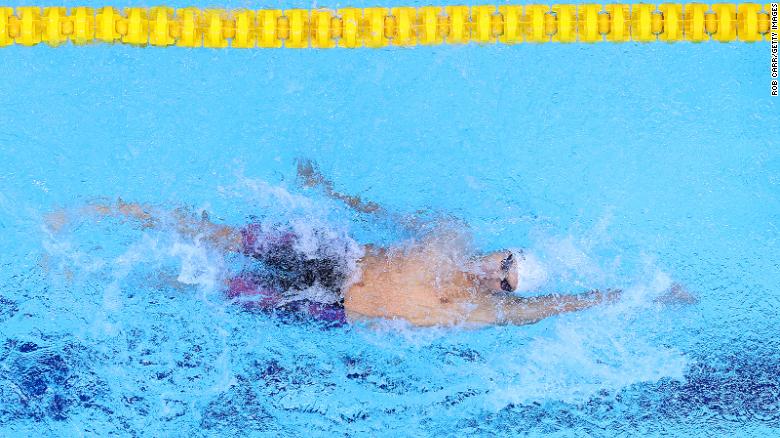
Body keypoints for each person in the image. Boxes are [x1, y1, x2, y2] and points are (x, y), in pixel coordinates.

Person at [45, 160, 695, 328]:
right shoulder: (450, 235)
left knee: (208, 284)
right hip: (337, 256)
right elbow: (384, 218)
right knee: (214, 236)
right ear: (503, 250)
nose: (499, 279)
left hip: (331, 310)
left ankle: (123, 279)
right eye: (508, 266)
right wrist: (327, 187)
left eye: (508, 284)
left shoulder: (473, 311)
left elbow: (556, 307)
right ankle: (101, 209)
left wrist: (641, 295)